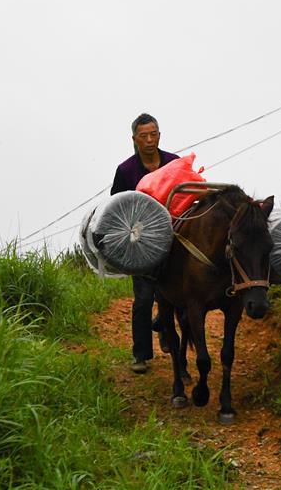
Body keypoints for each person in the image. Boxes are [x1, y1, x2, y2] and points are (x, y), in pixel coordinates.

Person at [111, 113, 179, 373]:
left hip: (174, 240)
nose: (149, 140)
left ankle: (166, 330)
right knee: (143, 299)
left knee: (174, 296)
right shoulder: (126, 170)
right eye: (143, 136)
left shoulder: (173, 164)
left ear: (159, 136)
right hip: (141, 245)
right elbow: (116, 208)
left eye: (153, 134)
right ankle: (140, 355)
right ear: (134, 139)